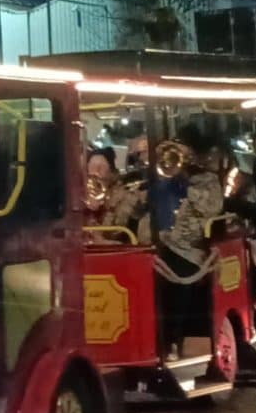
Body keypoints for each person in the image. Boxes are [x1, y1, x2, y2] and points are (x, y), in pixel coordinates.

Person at [157, 143, 226, 358]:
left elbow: (212, 206)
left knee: (179, 279)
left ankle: (174, 340)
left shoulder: (208, 181)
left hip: (190, 249)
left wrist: (184, 186)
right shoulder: (159, 179)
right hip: (161, 244)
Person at [84, 147, 144, 241]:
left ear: (112, 170)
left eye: (101, 167)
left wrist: (103, 209)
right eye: (92, 167)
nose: (96, 172)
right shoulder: (81, 193)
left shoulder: (126, 193)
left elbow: (117, 231)